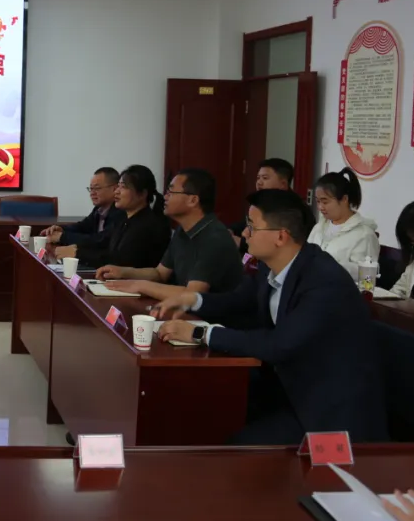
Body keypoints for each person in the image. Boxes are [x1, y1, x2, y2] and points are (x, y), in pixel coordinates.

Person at [154, 189, 388, 445]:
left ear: (280, 236)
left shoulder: (323, 280)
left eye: (252, 227)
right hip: (285, 387)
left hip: (326, 410)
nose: (245, 234)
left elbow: (280, 344)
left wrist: (200, 333)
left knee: (234, 446)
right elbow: (238, 301)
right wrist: (192, 299)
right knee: (201, 409)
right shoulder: (271, 266)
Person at [96, 168, 242, 300]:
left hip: (213, 318)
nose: (165, 197)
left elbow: (193, 294)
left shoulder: (214, 237)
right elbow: (160, 273)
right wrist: (123, 272)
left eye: (171, 192)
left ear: (193, 200)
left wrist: (141, 286)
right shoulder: (182, 230)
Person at [57, 165, 170, 269]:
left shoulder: (147, 225)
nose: (116, 191)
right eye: (118, 186)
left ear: (142, 194)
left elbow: (120, 261)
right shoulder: (125, 220)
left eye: (123, 187)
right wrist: (75, 248)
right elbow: (102, 242)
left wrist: (78, 253)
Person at [307, 167, 379, 281]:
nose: (320, 207)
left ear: (344, 199)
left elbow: (367, 277)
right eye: (318, 201)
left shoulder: (364, 234)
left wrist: (329, 265)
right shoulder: (319, 227)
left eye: (325, 201)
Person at [42, 167, 125, 256]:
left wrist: (62, 237)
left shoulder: (120, 212)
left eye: (97, 188)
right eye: (91, 188)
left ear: (114, 189)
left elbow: (100, 240)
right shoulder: (99, 209)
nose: (92, 193)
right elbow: (82, 227)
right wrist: (62, 229)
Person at [230, 158, 294, 249]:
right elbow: (247, 224)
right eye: (258, 178)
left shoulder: (293, 211)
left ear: (283, 184)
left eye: (265, 178)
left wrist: (242, 243)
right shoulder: (261, 203)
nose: (259, 182)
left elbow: (275, 245)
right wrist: (231, 230)